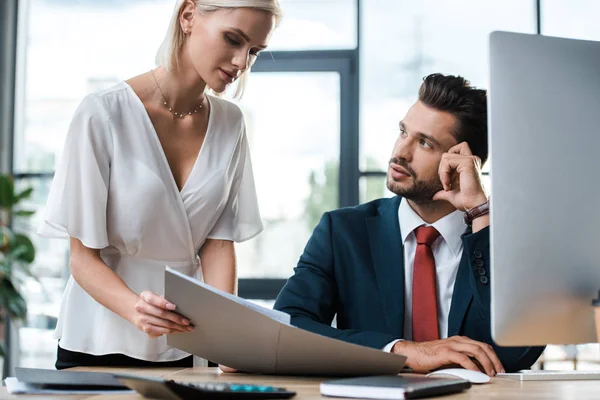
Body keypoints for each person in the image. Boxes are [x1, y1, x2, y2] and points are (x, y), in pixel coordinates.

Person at [38, 0, 281, 369]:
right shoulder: (103, 113)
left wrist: (226, 341)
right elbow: (82, 258)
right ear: (188, 16)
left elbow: (218, 245)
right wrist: (137, 311)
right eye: (233, 39)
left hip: (184, 342)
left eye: (254, 51)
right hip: (97, 341)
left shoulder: (231, 124)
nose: (241, 63)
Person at [274, 73, 545, 375]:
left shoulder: (504, 239)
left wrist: (481, 214)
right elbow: (287, 326)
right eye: (403, 132)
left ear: (463, 161)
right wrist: (401, 351)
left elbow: (519, 353)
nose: (400, 153)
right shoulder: (342, 232)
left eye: (425, 143)